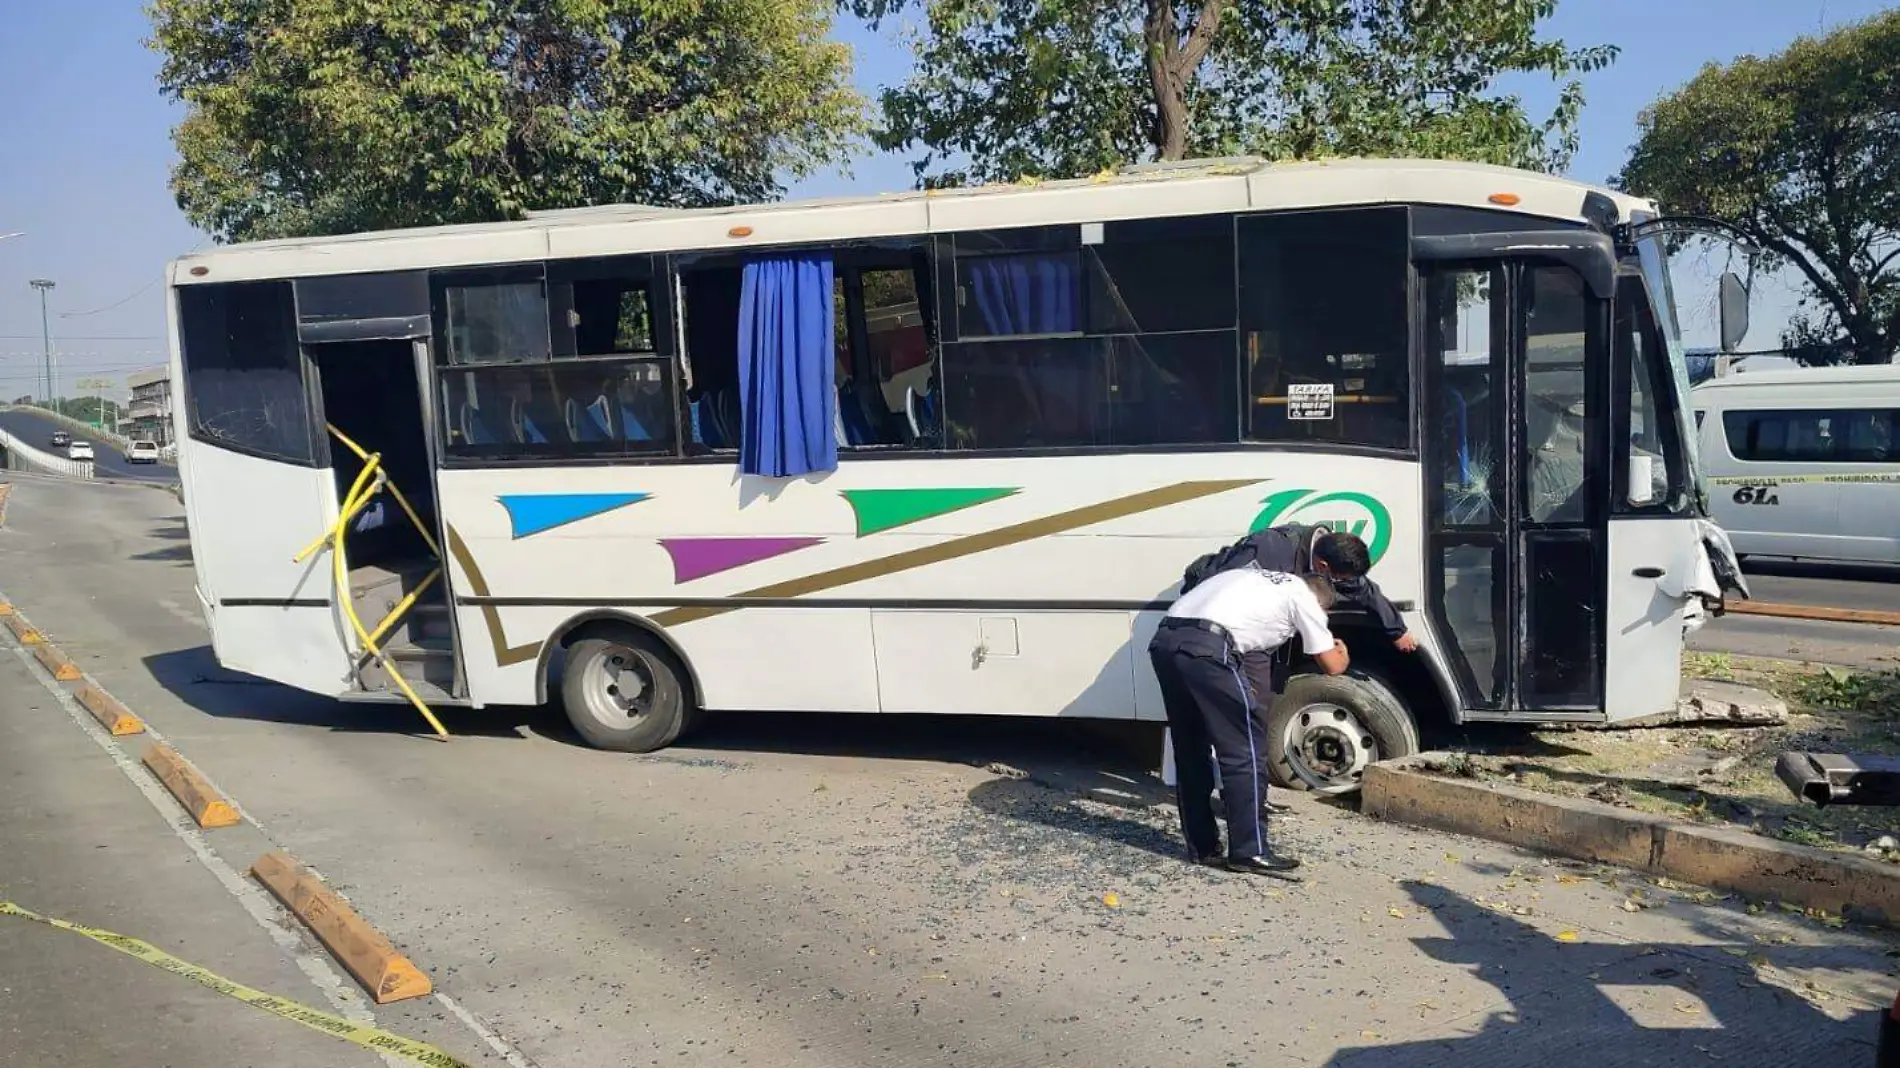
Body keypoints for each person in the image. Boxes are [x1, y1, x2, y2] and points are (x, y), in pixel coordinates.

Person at [1149, 566, 1350, 877]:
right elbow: (1332, 665)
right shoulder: (1304, 596)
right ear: (1321, 604)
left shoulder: (1255, 577)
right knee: (1245, 751)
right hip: (1209, 649)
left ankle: (1202, 848)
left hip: (1165, 641)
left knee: (1191, 749)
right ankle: (1250, 850)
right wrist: (1342, 652)